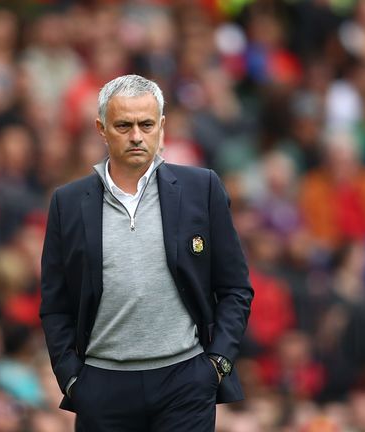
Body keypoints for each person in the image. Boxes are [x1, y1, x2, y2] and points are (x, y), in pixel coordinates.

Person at [39, 74, 253, 431]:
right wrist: (72, 379)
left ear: (162, 127)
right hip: (102, 385)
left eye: (146, 124)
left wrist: (218, 364)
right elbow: (54, 304)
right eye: (123, 125)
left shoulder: (203, 188)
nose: (136, 135)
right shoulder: (69, 202)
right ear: (101, 129)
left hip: (185, 380)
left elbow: (235, 288)